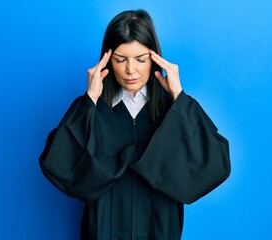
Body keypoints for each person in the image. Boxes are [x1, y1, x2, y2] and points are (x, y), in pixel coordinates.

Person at [39, 9, 231, 240]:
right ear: (107, 59)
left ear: (155, 58)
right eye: (120, 59)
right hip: (103, 229)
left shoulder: (172, 110)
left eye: (141, 59)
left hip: (159, 227)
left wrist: (180, 97)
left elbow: (215, 163)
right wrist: (89, 100)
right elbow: (56, 162)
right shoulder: (94, 108)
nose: (131, 70)